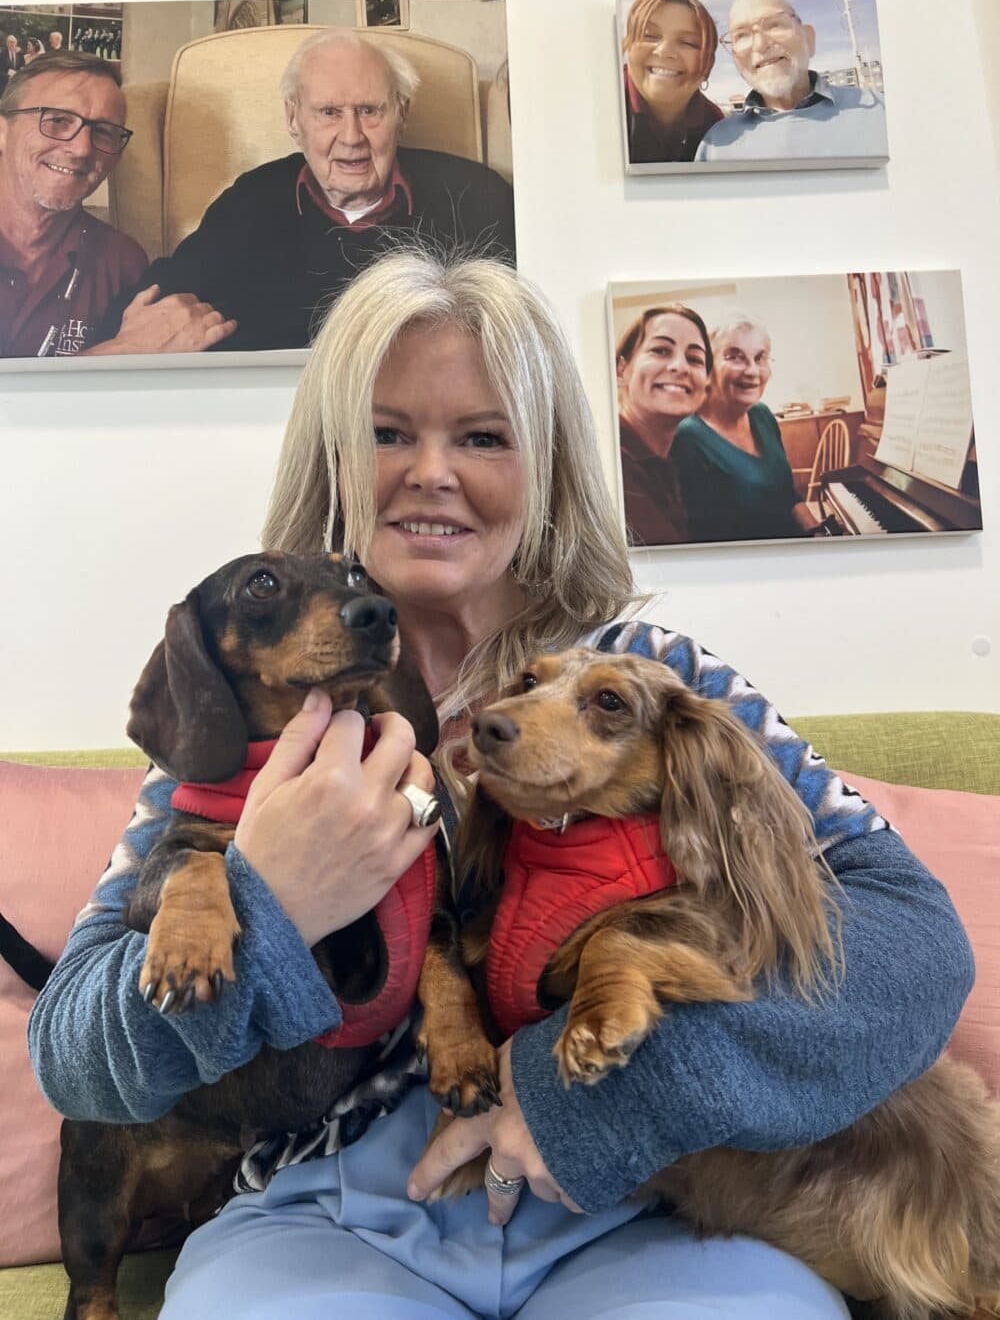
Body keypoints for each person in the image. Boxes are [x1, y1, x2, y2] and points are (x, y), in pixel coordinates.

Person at [29, 248, 974, 1318]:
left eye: (481, 436)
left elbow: (916, 947)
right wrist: (266, 903)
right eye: (387, 432)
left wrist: (605, 1103)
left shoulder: (660, 677)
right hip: (325, 1215)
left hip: (643, 1206)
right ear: (333, 456)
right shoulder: (243, 717)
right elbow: (73, 1058)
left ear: (548, 463)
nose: (431, 471)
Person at [140, 29, 517, 352]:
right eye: (329, 112)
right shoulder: (250, 202)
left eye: (370, 110)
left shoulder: (476, 198)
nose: (352, 137)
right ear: (293, 118)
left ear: (402, 113)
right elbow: (159, 305)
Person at [0, 51, 238, 359]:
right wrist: (121, 352)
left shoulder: (122, 262)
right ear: (3, 132)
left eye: (103, 132)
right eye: (57, 121)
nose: (82, 148)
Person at [671, 314, 818, 541]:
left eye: (760, 358)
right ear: (707, 367)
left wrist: (816, 531)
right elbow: (705, 540)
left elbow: (786, 495)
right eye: (735, 357)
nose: (751, 371)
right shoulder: (687, 438)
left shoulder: (762, 415)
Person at [694, 0, 888, 164]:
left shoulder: (879, 110)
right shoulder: (715, 145)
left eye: (774, 25)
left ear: (808, 39)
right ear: (734, 57)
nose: (760, 44)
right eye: (742, 35)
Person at [615, 303, 712, 545]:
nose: (680, 367)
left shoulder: (676, 460)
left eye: (694, 359)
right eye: (660, 350)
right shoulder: (612, 464)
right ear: (621, 370)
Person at [621, 0, 723, 164]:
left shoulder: (715, 126)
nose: (664, 51)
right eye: (650, 36)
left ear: (708, 65)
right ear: (628, 46)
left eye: (688, 43)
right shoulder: (601, 108)